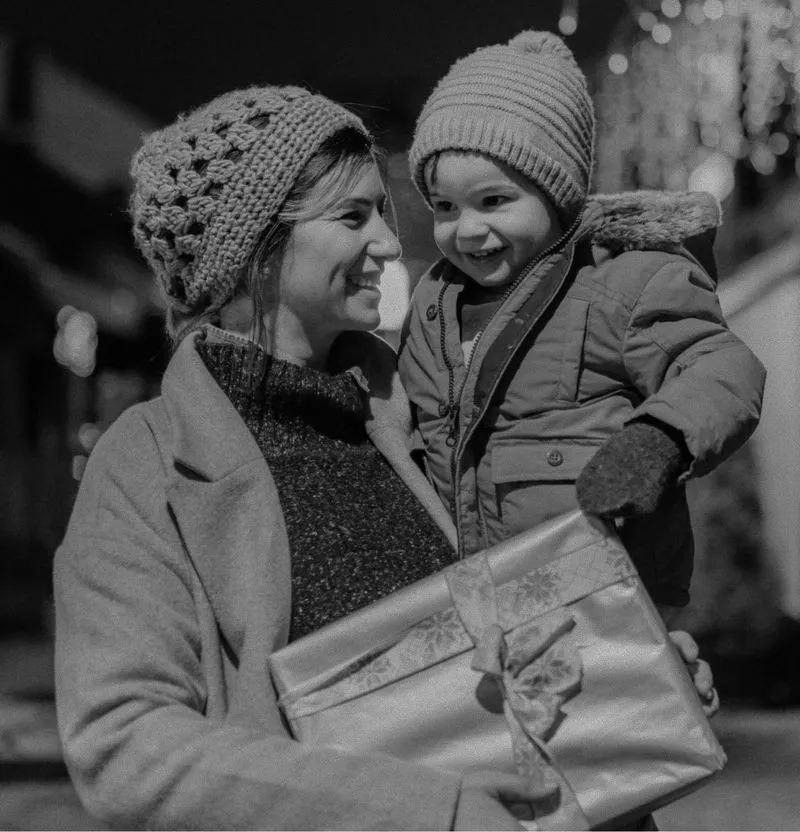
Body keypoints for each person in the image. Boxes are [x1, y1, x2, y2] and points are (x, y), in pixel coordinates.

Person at [53, 84, 716, 831]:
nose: (389, 243)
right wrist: (430, 813)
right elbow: (122, 743)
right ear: (254, 249)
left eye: (382, 211)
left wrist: (624, 670)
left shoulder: (425, 411)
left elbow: (487, 646)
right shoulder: (147, 463)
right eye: (352, 216)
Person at [398, 29, 766, 623]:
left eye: (493, 201)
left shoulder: (624, 283)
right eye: (445, 206)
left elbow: (725, 367)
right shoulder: (432, 307)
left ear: (556, 193)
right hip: (480, 609)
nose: (465, 230)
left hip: (607, 600)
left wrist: (659, 441)